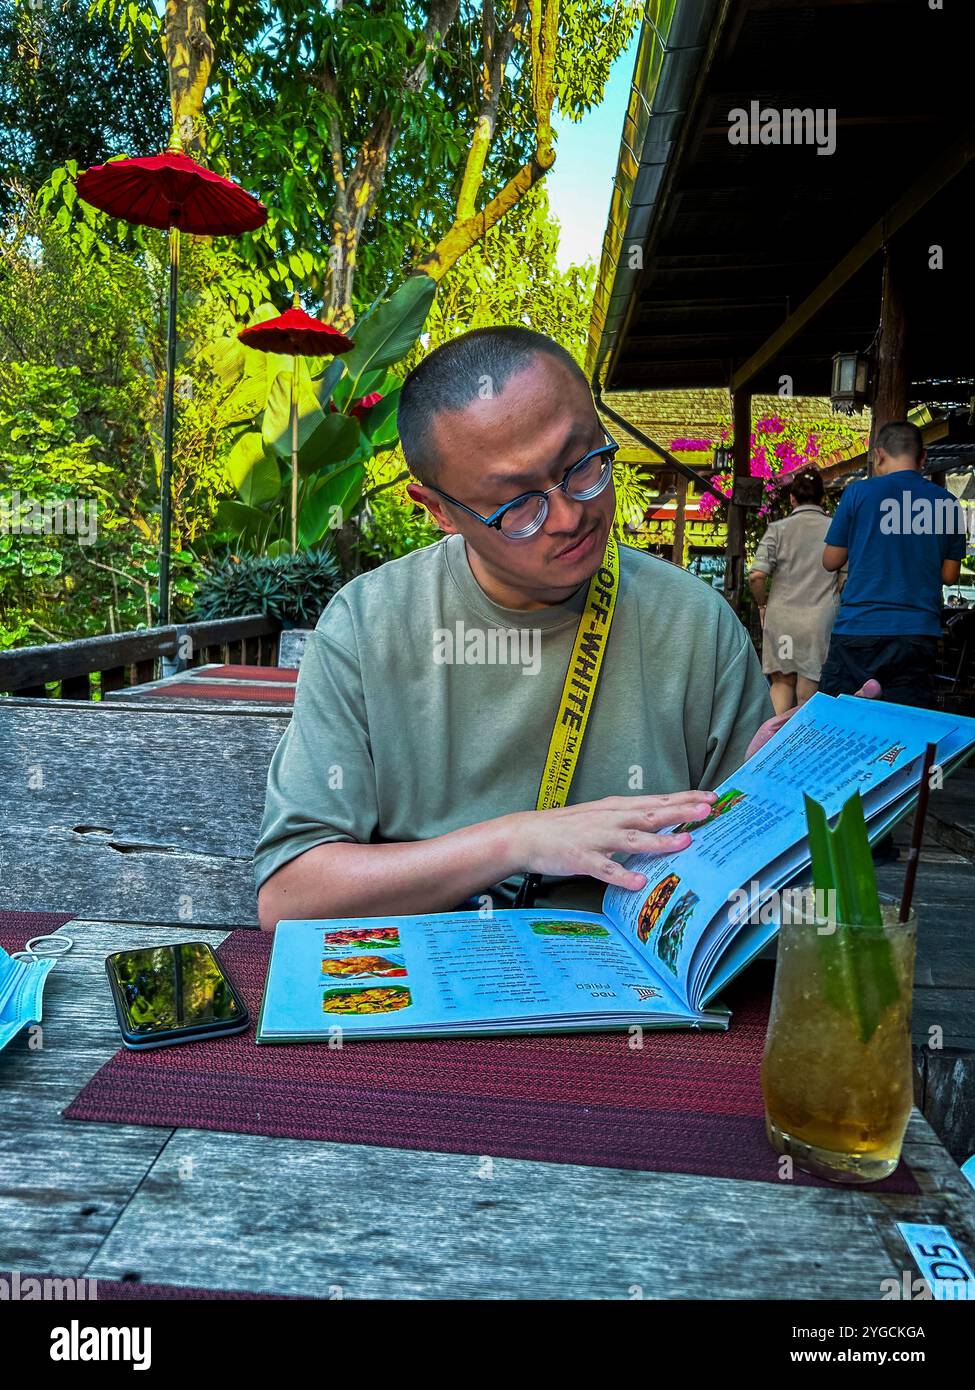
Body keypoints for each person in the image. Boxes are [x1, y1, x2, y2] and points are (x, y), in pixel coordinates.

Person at [253, 328, 810, 929]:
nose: (570, 516)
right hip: (429, 982)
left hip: (633, 987)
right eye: (517, 503)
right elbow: (290, 897)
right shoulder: (369, 626)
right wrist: (516, 842)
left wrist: (769, 800)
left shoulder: (692, 622)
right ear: (439, 510)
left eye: (582, 464)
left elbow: (762, 893)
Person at [819, 420, 967, 708]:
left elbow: (831, 560)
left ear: (879, 455)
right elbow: (949, 575)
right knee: (904, 724)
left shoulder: (858, 494)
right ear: (923, 458)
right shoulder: (948, 503)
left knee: (837, 717)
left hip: (858, 629)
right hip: (917, 631)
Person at [747, 467, 843, 715]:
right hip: (818, 623)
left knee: (781, 684)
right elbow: (844, 580)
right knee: (808, 694)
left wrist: (762, 605)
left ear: (792, 498)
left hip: (783, 621)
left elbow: (757, 575)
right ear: (823, 498)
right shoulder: (835, 530)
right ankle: (801, 750)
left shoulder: (778, 530)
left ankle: (768, 748)